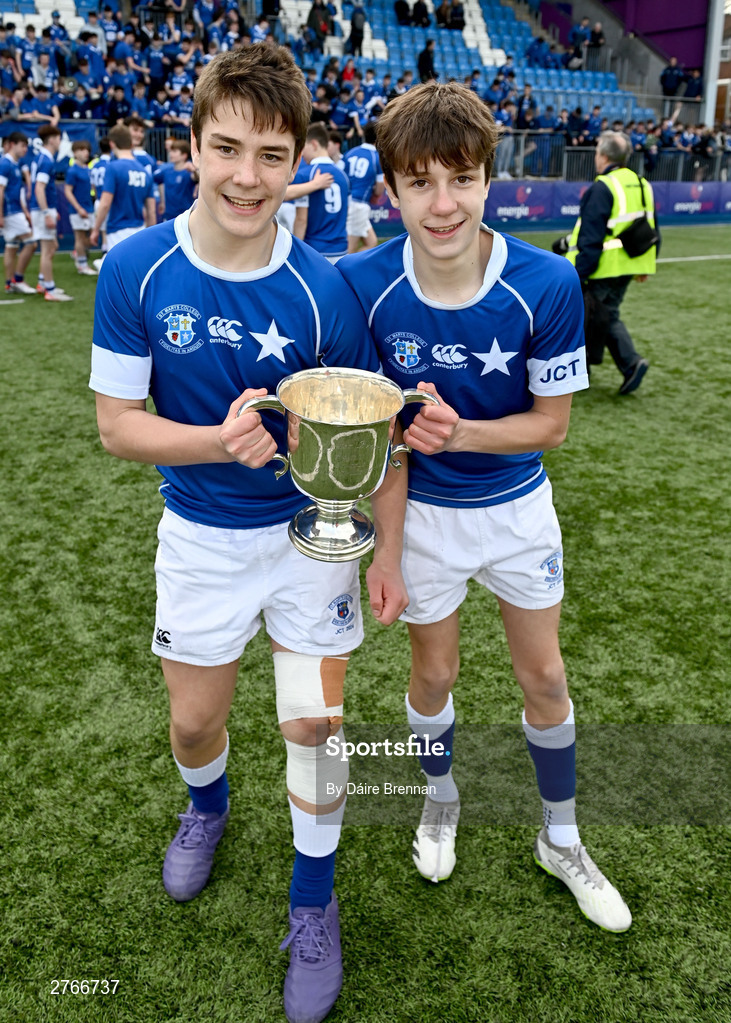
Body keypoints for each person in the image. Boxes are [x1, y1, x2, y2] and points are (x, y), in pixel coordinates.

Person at [89, 45, 407, 1023]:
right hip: (200, 539)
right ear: (190, 147)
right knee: (194, 722)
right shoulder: (137, 267)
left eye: (270, 155)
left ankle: (313, 902)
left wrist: (384, 548)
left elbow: (382, 431)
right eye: (225, 148)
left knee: (313, 728)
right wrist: (211, 442)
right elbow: (116, 426)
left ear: (298, 158)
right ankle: (206, 809)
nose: (245, 175)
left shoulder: (323, 288)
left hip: (312, 542)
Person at [337, 80, 632, 934]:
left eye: (460, 179)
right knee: (433, 673)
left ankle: (561, 836)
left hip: (514, 510)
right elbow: (383, 439)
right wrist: (384, 551)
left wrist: (461, 431)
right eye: (418, 181)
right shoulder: (362, 284)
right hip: (421, 518)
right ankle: (439, 796)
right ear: (388, 188)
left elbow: (552, 426)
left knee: (543, 675)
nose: (441, 203)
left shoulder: (544, 282)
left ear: (488, 181)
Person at [563, 131, 657, 394]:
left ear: (603, 156)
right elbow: (652, 228)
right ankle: (613, 366)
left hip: (603, 266)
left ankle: (629, 363)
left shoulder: (603, 187)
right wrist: (647, 265)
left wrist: (579, 272)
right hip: (630, 264)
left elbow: (591, 239)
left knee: (596, 315)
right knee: (604, 314)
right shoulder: (641, 183)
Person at [89, 123, 156, 263]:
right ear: (131, 143)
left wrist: (96, 229)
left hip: (117, 230)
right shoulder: (144, 171)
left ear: (112, 144)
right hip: (139, 229)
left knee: (117, 279)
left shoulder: (113, 168)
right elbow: (151, 211)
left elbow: (105, 203)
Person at [293, 122, 349, 262]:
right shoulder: (343, 176)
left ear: (314, 144)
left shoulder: (306, 174)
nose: (301, 152)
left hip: (314, 251)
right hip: (340, 250)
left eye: (303, 147)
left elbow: (301, 220)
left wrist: (295, 251)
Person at [29, 123, 72, 301]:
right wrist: (47, 212)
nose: (60, 141)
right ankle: (50, 290)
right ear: (53, 139)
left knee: (52, 246)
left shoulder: (42, 158)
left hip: (42, 208)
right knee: (47, 250)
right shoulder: (46, 160)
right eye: (59, 137)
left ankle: (42, 282)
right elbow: (39, 188)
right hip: (41, 210)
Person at [0, 131, 36, 295]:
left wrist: (25, 211)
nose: (25, 150)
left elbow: (16, 192)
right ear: (12, 144)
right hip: (10, 212)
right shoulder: (5, 164)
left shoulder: (14, 164)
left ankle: (9, 284)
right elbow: (0, 191)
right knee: (31, 243)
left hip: (15, 210)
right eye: (22, 146)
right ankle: (18, 279)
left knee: (11, 246)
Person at [343, 121, 384, 252]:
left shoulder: (350, 153)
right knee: (350, 249)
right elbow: (379, 189)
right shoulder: (376, 158)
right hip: (358, 205)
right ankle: (343, 271)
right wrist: (374, 194)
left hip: (347, 201)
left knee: (372, 242)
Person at [64, 140, 98, 275]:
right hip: (78, 210)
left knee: (90, 238)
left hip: (89, 207)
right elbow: (67, 191)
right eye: (82, 150)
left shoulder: (88, 169)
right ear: (75, 152)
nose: (86, 153)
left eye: (87, 150)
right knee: (79, 237)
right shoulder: (73, 171)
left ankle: (79, 256)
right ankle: (82, 265)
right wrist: (78, 208)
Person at [153, 138, 198, 221]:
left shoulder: (188, 172)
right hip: (168, 216)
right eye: (171, 151)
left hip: (185, 217)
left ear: (184, 155)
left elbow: (198, 178)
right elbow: (157, 180)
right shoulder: (166, 171)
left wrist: (194, 170)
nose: (171, 154)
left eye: (174, 151)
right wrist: (162, 201)